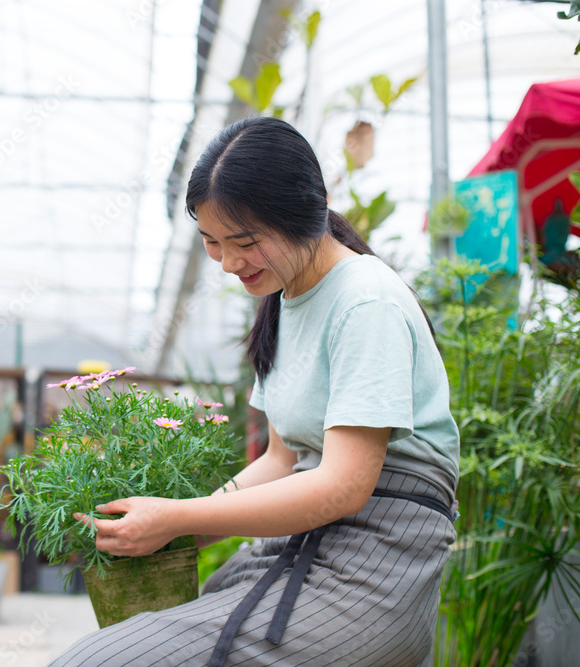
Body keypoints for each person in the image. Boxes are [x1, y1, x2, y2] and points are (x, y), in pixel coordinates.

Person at [48, 116, 459, 667]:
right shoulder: (285, 296)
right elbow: (282, 459)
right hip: (298, 552)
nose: (229, 262)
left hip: (370, 572)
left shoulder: (366, 300)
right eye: (212, 242)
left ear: (306, 215)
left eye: (245, 241)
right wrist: (173, 530)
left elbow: (342, 487)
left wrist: (182, 517)